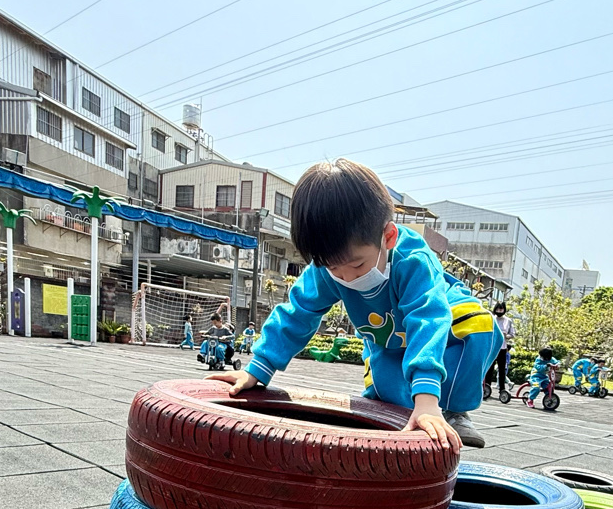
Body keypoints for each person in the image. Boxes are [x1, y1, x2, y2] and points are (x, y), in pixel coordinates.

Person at [204, 158, 501, 449]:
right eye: (335, 268)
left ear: (388, 237)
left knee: (479, 325)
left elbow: (428, 319)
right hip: (387, 342)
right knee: (391, 404)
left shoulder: (412, 260)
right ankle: (403, 408)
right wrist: (257, 370)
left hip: (444, 326)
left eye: (357, 265)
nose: (347, 277)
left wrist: (427, 400)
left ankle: (454, 410)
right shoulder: (326, 268)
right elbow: (297, 313)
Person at [485, 301, 515, 393]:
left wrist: (506, 336)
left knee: (502, 369)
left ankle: (502, 389)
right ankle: (487, 386)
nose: (499, 311)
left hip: (502, 347)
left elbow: (512, 334)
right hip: (492, 347)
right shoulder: (492, 318)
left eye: (501, 309)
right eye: (498, 309)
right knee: (489, 367)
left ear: (504, 310)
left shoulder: (508, 321)